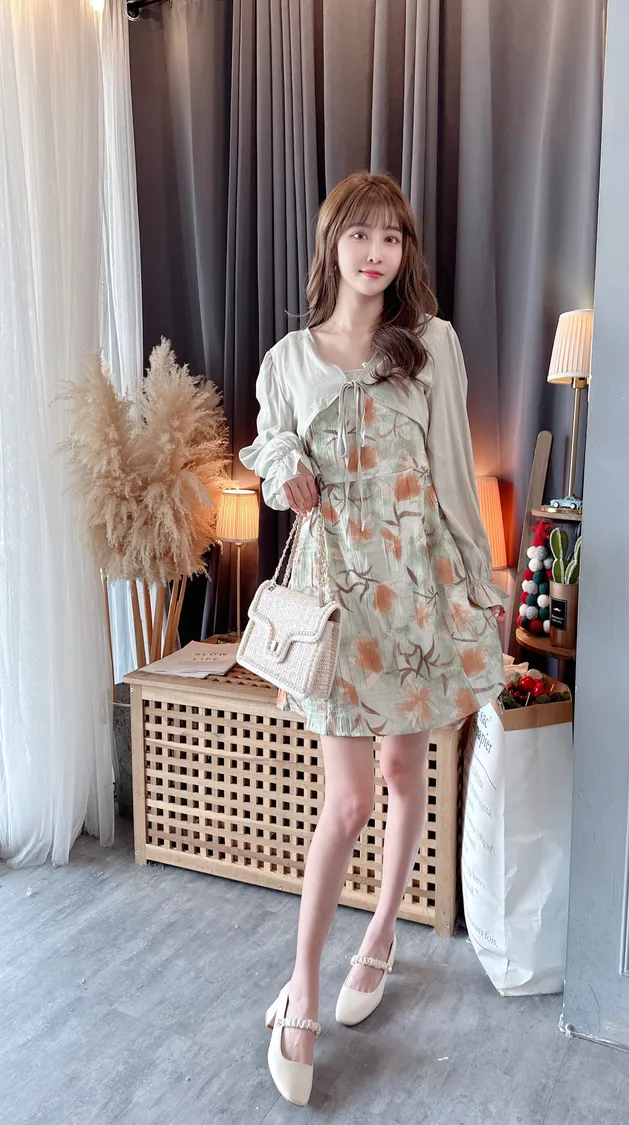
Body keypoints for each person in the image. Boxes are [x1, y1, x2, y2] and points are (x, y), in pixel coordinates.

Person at [240, 171, 508, 1107]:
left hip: (415, 586)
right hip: (338, 599)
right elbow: (268, 442)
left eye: (390, 236)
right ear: (333, 245)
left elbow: (451, 474)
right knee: (348, 799)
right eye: (358, 233)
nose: (375, 251)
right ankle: (302, 990)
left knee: (402, 772)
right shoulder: (289, 358)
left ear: (404, 252)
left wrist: (478, 581)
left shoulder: (431, 344)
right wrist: (285, 468)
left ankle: (383, 931)